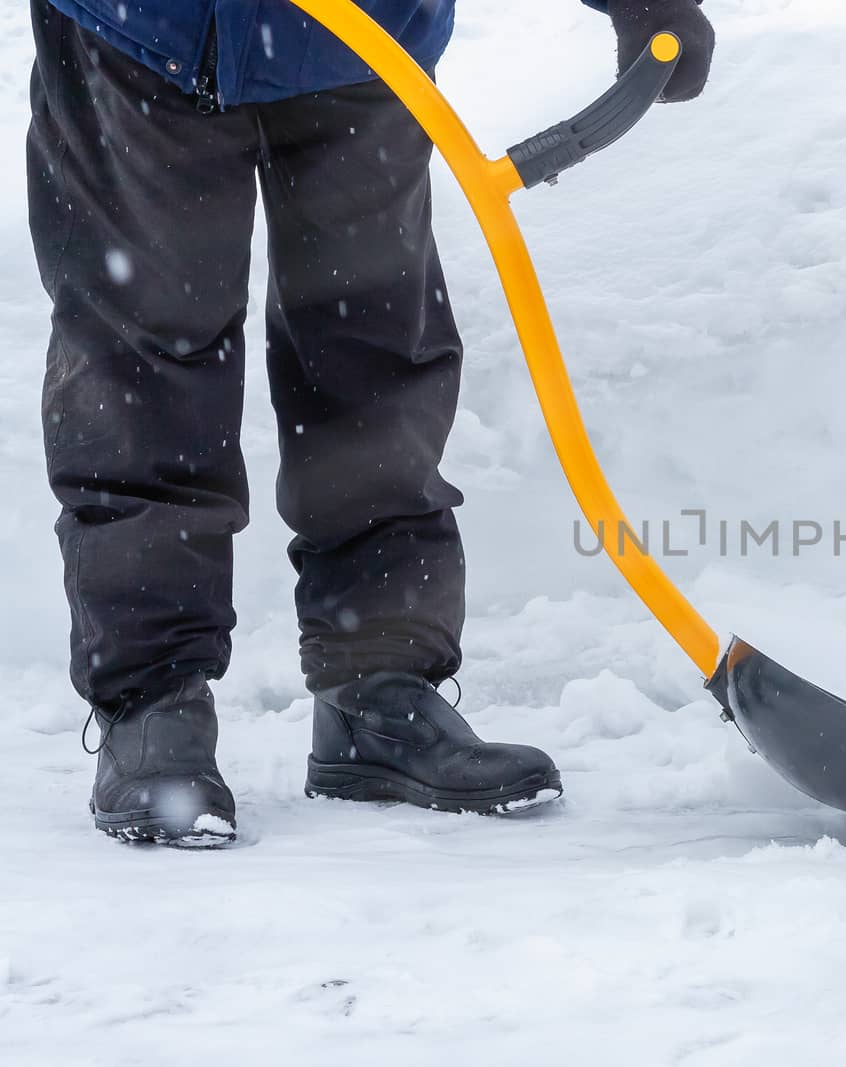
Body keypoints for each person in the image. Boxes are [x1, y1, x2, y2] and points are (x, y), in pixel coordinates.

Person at [27, 0, 715, 846]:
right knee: (142, 361)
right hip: (147, 35)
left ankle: (377, 691)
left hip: (361, 33)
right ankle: (151, 705)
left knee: (372, 352)